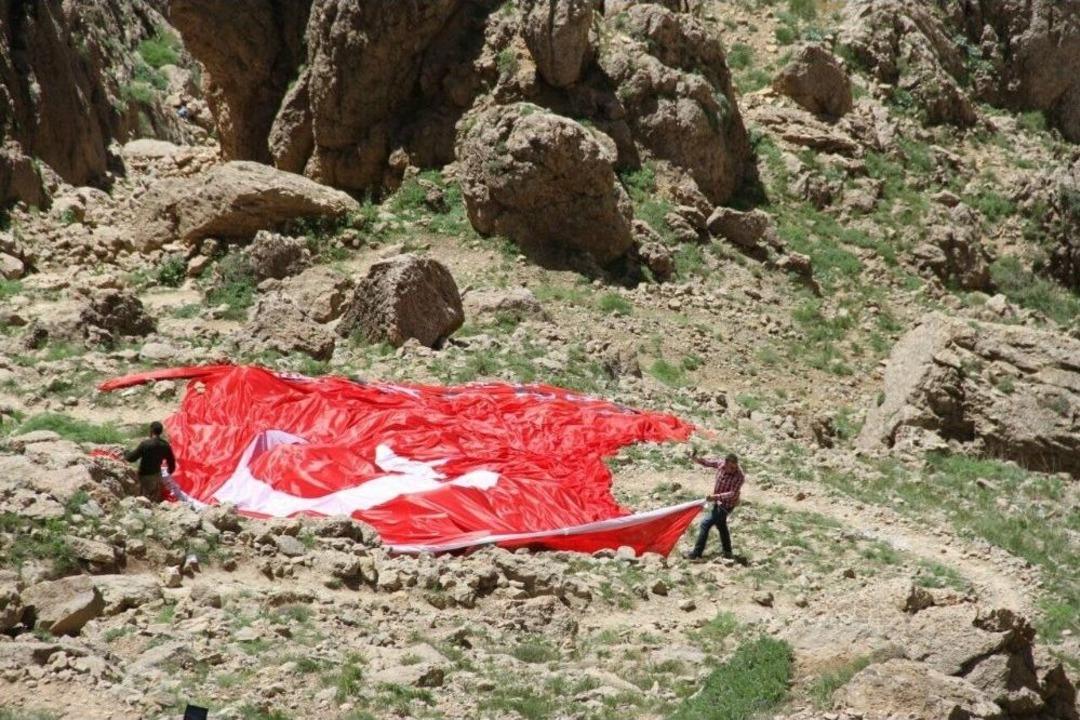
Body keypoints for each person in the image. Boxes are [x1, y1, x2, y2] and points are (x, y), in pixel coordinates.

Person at [685, 452, 745, 560]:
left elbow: (732, 494)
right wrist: (696, 459)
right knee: (721, 525)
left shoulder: (739, 476)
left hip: (727, 505)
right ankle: (728, 552)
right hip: (718, 503)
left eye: (735, 467)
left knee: (705, 523)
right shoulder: (721, 464)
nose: (733, 470)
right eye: (731, 467)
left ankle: (696, 553)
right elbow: (708, 462)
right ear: (726, 463)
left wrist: (715, 497)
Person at [125, 421, 176, 501]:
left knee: (144, 500)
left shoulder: (145, 444)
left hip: (145, 476)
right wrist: (169, 471)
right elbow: (171, 462)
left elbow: (132, 458)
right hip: (157, 475)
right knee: (156, 499)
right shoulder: (165, 445)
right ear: (161, 431)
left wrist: (125, 453)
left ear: (151, 431)